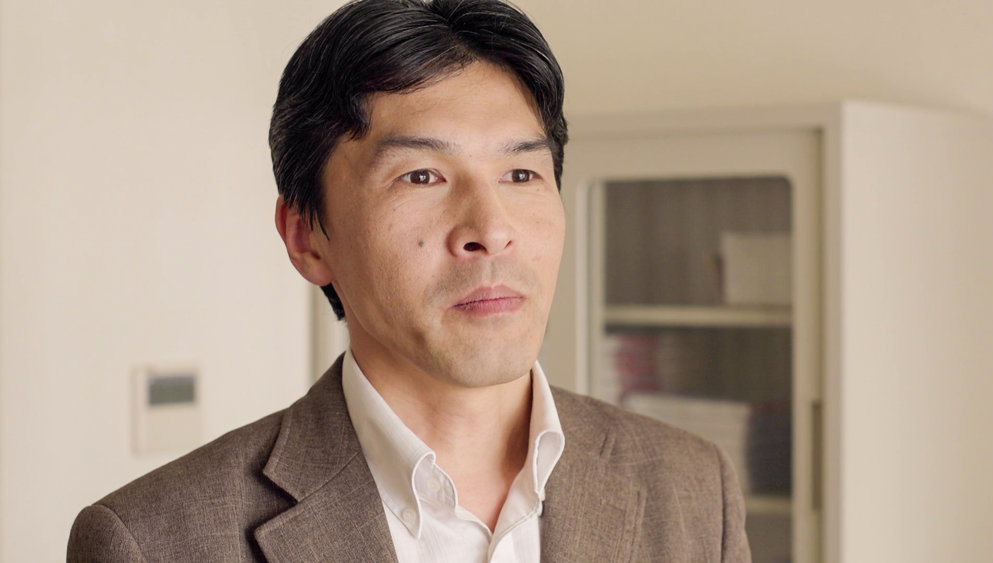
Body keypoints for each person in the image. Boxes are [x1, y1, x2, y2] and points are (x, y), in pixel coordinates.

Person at [67, 0, 751, 560]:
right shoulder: (155, 540)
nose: (492, 227)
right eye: (422, 176)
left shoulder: (692, 488)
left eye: (521, 173)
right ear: (306, 236)